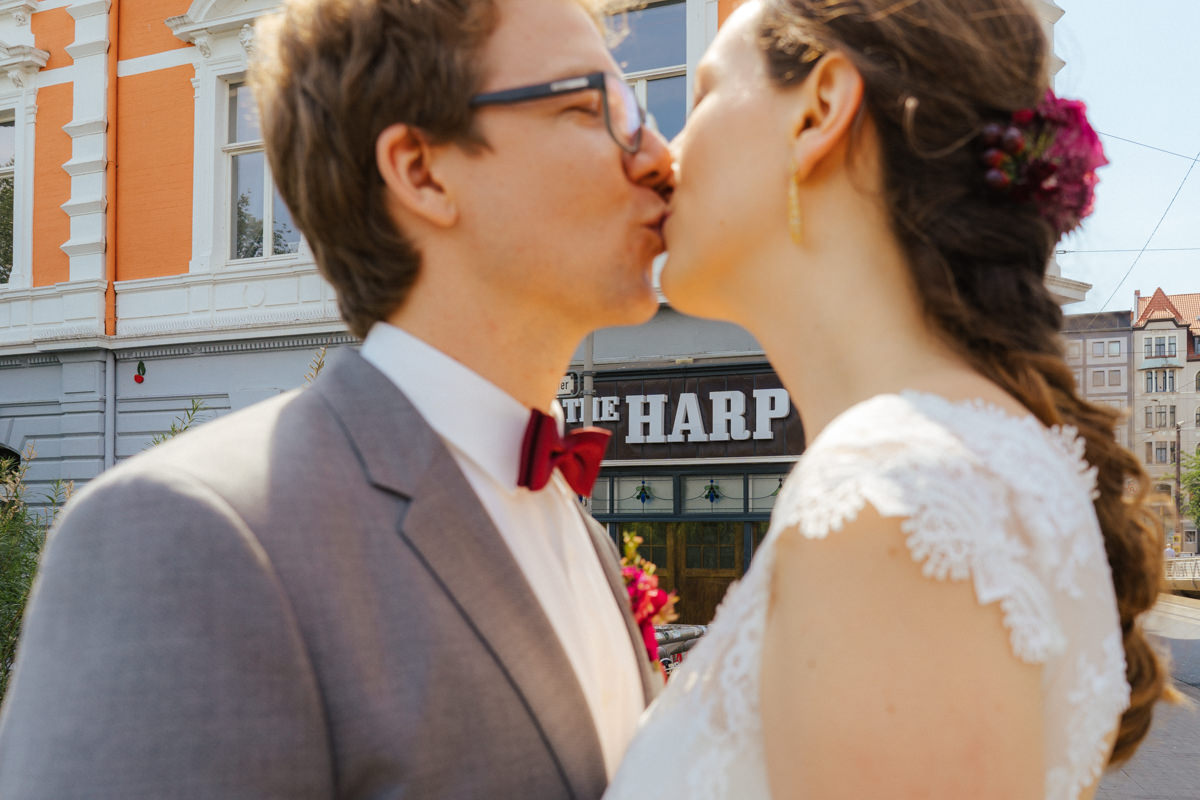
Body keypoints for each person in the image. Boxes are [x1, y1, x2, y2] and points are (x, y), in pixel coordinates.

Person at [0, 0, 673, 796]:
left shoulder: (580, 532)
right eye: (595, 109)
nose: (660, 155)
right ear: (422, 170)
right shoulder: (189, 537)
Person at [605, 1, 1171, 798]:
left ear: (820, 112)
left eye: (698, 99)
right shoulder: (950, 463)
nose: (665, 155)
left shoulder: (894, 499)